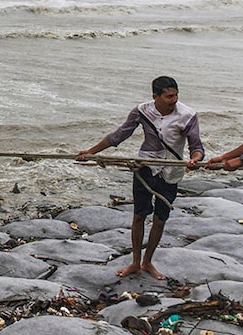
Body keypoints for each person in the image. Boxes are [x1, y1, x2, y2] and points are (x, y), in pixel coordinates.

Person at [76, 76, 204, 280]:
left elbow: (196, 147)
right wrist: (91, 152)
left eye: (176, 95)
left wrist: (195, 160)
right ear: (155, 96)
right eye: (169, 96)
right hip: (145, 167)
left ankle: (148, 262)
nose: (174, 100)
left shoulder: (187, 115)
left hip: (171, 171)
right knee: (138, 216)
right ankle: (135, 262)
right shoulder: (142, 111)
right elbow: (119, 135)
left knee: (160, 219)